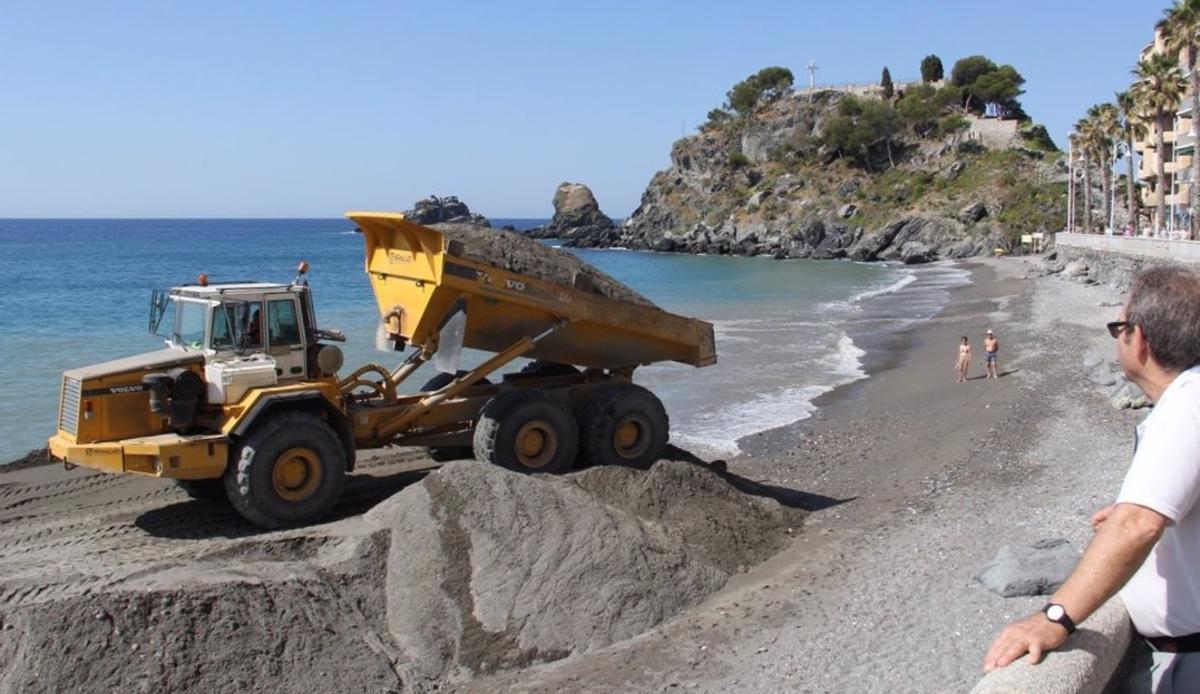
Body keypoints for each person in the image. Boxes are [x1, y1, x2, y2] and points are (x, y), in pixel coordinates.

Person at [983, 266, 1200, 692]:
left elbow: (1139, 525)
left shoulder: (1186, 408)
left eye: (1117, 327)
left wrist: (1056, 618)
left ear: (1138, 340)